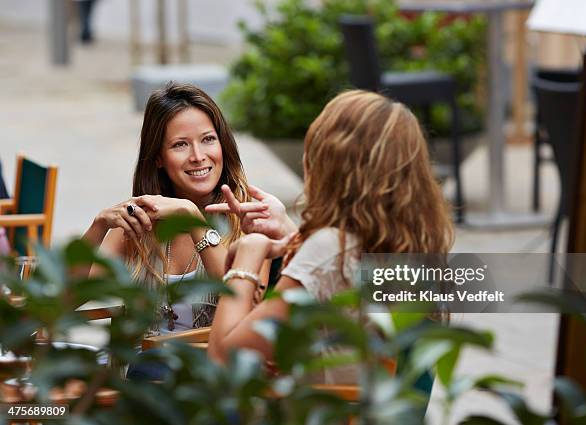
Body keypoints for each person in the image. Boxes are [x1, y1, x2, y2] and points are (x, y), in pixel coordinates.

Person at [206, 90, 455, 384]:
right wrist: (292, 234)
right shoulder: (410, 245)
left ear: (328, 165)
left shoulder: (329, 247)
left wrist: (249, 252)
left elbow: (224, 358)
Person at [82, 82, 269, 340]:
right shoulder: (140, 221)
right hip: (137, 374)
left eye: (208, 140)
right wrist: (98, 227)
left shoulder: (250, 218)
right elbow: (68, 298)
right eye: (180, 145)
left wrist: (192, 219)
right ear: (158, 157)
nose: (198, 156)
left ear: (223, 145)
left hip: (215, 375)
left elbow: (244, 312)